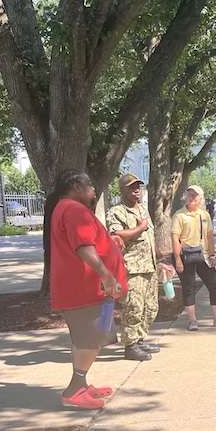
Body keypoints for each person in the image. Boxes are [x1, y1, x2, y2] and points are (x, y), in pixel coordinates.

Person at [46, 169, 128, 410]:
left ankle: (82, 384)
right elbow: (83, 246)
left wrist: (108, 243)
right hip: (84, 289)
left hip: (85, 289)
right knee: (90, 340)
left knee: (89, 338)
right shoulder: (73, 209)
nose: (93, 190)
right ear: (76, 186)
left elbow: (85, 242)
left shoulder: (66, 208)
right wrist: (107, 274)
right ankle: (74, 390)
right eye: (89, 185)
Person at [106, 173, 160, 361]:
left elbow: (151, 238)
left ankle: (140, 339)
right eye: (131, 187)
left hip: (150, 266)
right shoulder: (117, 212)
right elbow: (116, 234)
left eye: (138, 186)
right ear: (122, 190)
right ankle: (130, 346)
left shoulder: (143, 211)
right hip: (132, 268)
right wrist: (140, 228)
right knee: (133, 307)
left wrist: (161, 260)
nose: (136, 189)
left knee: (151, 307)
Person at [172, 185, 216, 330]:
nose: (192, 198)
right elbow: (175, 239)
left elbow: (209, 237)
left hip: (204, 256)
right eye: (189, 195)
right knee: (188, 288)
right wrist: (177, 259)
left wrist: (212, 255)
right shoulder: (179, 215)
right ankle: (192, 320)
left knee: (214, 285)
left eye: (195, 195)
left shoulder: (204, 215)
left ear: (201, 198)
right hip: (185, 256)